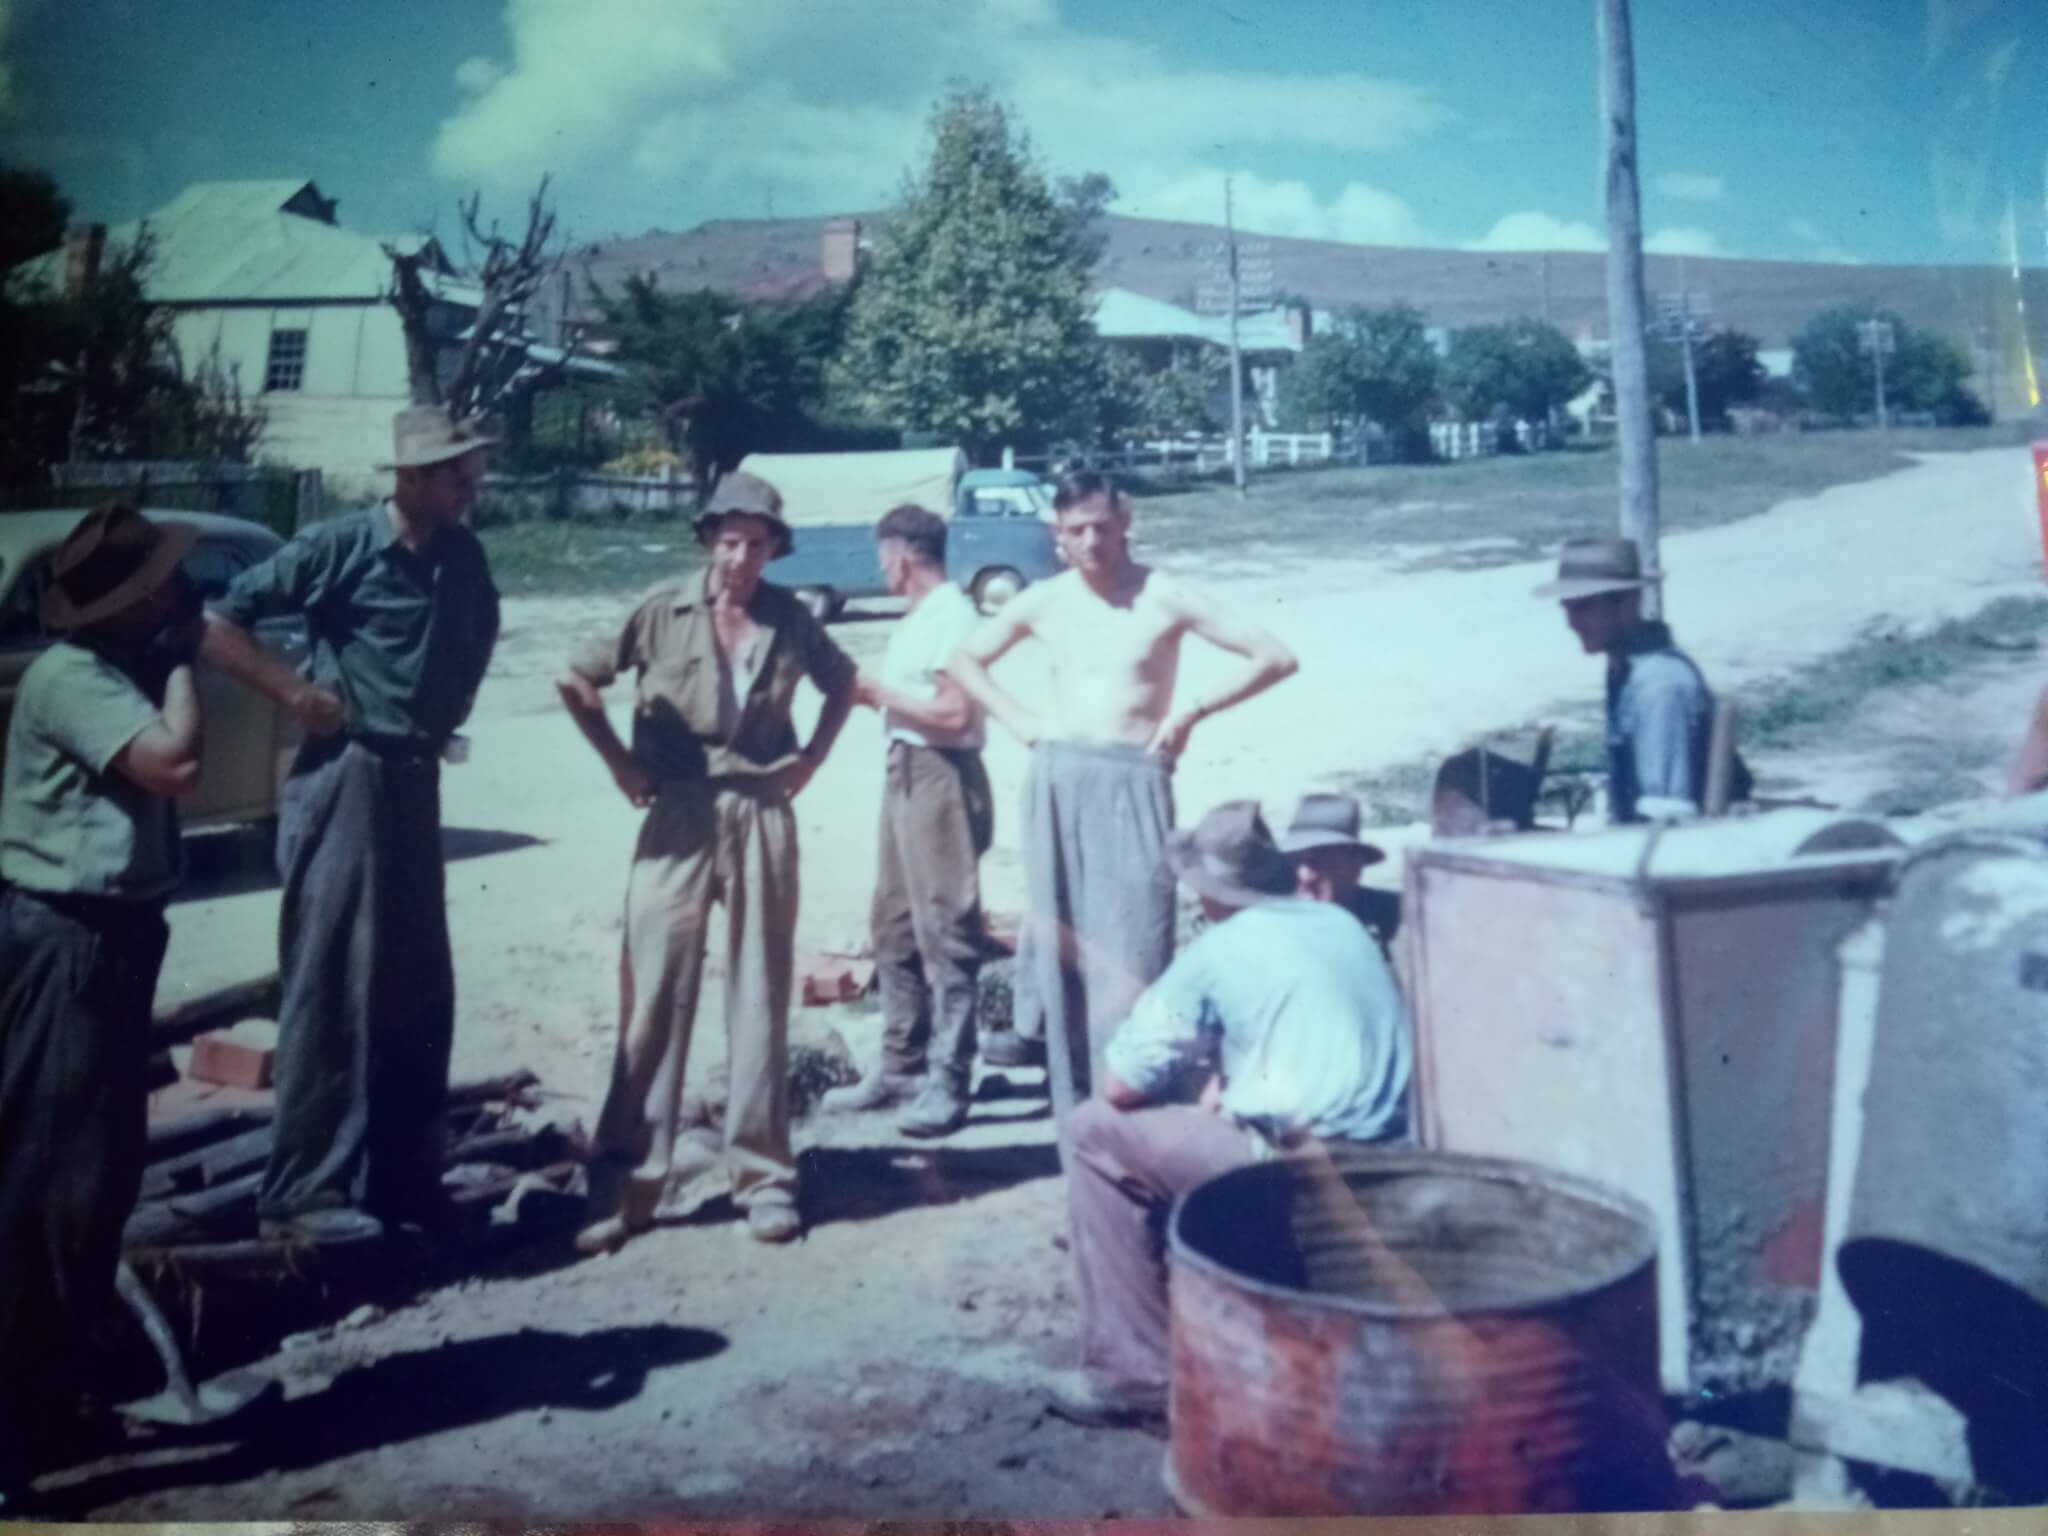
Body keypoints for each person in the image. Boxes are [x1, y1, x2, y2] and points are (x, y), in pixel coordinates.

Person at [202, 405, 499, 1244]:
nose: (469, 488)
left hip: (412, 782)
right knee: (332, 986)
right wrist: (296, 695)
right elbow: (219, 623)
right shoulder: (338, 546)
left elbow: (482, 629)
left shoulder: (462, 556)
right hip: (346, 779)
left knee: (416, 985)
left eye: (469, 473)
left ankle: (405, 1178)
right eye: (454, 474)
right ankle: (303, 1193)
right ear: (409, 479)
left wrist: (448, 711)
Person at [1043, 799, 1413, 1429]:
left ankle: (1134, 1374)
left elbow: (1119, 1085)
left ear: (1212, 892)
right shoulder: (1342, 925)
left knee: (1092, 1132)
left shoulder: (1215, 954)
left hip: (1307, 1173)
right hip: (1397, 1160)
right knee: (1212, 1092)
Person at [561, 470, 857, 1253]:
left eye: (756, 544)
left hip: (761, 808)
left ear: (773, 549)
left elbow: (845, 682)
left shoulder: (790, 618)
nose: (740, 558)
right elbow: (575, 677)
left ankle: (763, 1179)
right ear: (708, 541)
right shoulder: (661, 611)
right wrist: (622, 765)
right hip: (678, 810)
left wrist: (813, 762)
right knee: (654, 994)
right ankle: (627, 1183)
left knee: (759, 992)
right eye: (728, 541)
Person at [949, 471, 1298, 1124]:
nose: (1090, 542)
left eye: (1101, 528)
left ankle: (1138, 1111)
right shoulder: (1045, 601)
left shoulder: (1163, 595)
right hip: (1057, 781)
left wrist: (1192, 711)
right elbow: (965, 660)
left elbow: (1273, 656)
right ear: (1057, 534)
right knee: (1063, 953)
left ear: (1124, 523)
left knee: (1136, 945)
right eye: (1075, 530)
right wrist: (1023, 722)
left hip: (1135, 780)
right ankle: (1077, 1123)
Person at [0, 503, 207, 1510]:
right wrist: (182, 661)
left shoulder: (103, 668)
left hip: (110, 938)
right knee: (41, 1189)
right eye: (164, 584)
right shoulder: (73, 678)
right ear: (134, 601)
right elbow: (175, 762)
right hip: (68, 941)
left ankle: (54, 1397)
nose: (179, 592)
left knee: (95, 1180)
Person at [822, 504, 992, 1138]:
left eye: (881, 559)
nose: (881, 570)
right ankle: (901, 1064)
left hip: (941, 776)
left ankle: (951, 1080)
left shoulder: (955, 619)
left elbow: (954, 716)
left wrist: (877, 694)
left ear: (899, 557)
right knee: (892, 922)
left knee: (946, 929)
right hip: (906, 770)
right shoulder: (922, 619)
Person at [1534, 538, 1744, 824]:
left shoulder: (1659, 685)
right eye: (1567, 608)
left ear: (1628, 602)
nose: (1571, 622)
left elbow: (1668, 820)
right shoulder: (1625, 670)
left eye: (1582, 607)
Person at [1276, 791, 1401, 952]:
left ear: (1356, 864)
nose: (1304, 876)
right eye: (1294, 862)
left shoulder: (1398, 919)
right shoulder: (1273, 926)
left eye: (1319, 862)